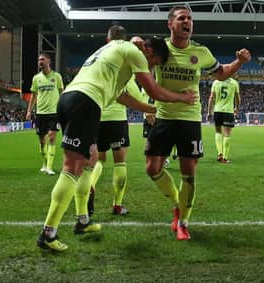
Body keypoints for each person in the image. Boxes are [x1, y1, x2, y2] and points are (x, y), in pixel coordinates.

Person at [36, 36, 196, 252]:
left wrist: (150, 110)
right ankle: (48, 233)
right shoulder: (136, 53)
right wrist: (181, 98)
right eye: (154, 62)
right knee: (72, 166)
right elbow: (153, 91)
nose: (151, 67)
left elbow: (122, 96)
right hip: (86, 102)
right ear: (148, 51)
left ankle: (83, 220)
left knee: (91, 158)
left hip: (71, 99)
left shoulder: (114, 49)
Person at [145, 6, 251, 241]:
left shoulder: (201, 51)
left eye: (190, 19)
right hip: (163, 116)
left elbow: (221, 73)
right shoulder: (160, 48)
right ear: (170, 24)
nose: (188, 22)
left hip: (189, 118)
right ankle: (176, 204)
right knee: (152, 168)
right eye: (182, 18)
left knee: (188, 173)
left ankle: (183, 222)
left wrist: (239, 62)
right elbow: (144, 70)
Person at [88, 26, 155, 217]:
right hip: (117, 119)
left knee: (100, 160)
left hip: (99, 117)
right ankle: (117, 205)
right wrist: (147, 112)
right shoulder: (126, 67)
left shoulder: (103, 60)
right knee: (120, 162)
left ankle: (91, 184)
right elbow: (133, 94)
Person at [26, 54, 64, 175]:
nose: (39, 61)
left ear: (49, 61)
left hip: (54, 112)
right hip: (40, 113)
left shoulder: (57, 76)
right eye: (38, 60)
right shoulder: (36, 78)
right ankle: (45, 163)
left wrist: (64, 108)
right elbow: (33, 96)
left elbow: (62, 93)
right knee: (42, 141)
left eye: (42, 59)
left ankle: (49, 167)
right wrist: (29, 111)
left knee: (52, 138)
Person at [207, 77, 240, 163]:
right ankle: (225, 158)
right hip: (228, 111)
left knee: (218, 132)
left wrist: (209, 112)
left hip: (217, 110)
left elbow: (211, 98)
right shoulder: (234, 83)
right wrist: (237, 108)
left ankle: (219, 153)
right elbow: (238, 98)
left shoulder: (216, 82)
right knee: (227, 134)